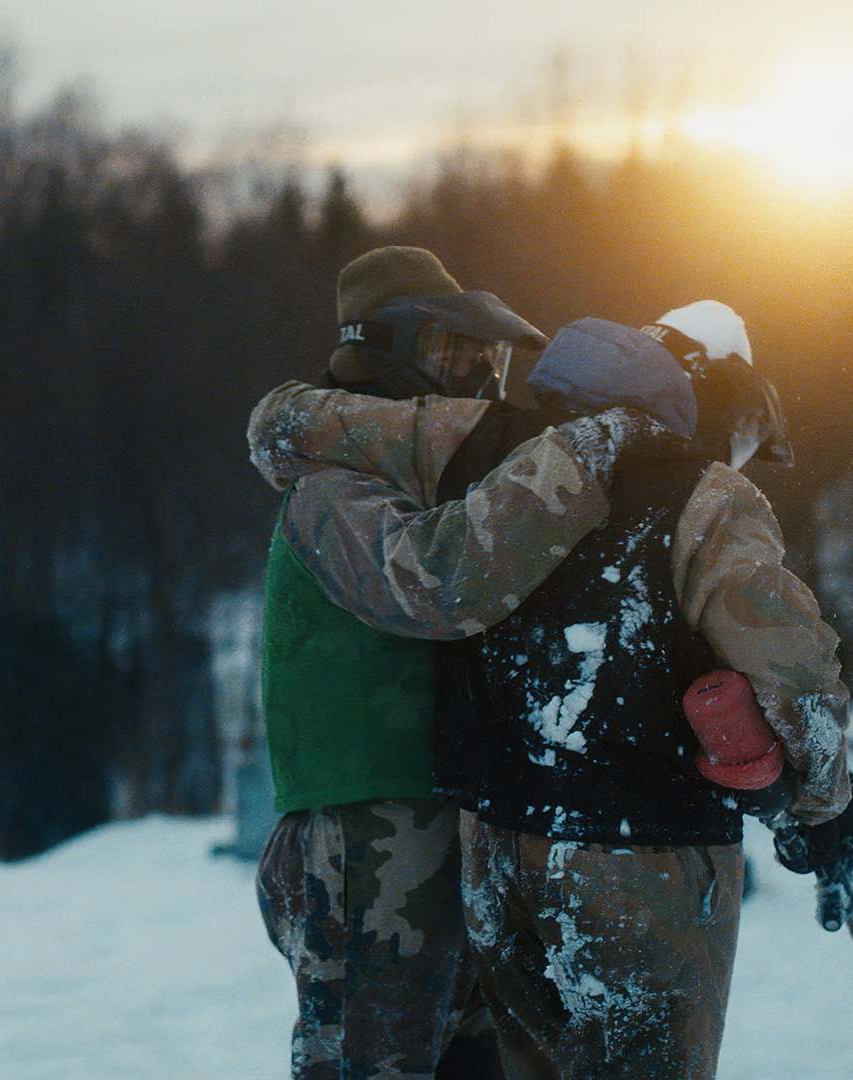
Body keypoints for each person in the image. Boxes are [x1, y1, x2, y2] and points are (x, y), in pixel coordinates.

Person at [247, 247, 678, 1080]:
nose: (478, 376)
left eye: (485, 356)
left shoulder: (441, 488)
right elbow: (439, 582)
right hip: (370, 838)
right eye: (454, 353)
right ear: (382, 352)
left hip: (457, 827)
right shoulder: (330, 488)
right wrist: (578, 458)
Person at [436, 301, 850, 1079]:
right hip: (640, 854)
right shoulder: (706, 497)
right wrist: (822, 803)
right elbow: (791, 671)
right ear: (718, 394)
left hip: (495, 843)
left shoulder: (516, 471)